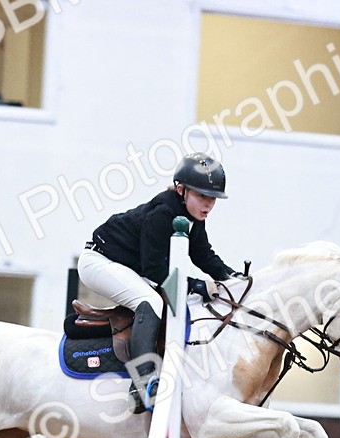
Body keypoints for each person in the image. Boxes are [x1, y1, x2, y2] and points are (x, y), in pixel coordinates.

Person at [78, 152, 235, 413]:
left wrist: (232, 278)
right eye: (202, 196)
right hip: (98, 261)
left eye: (213, 199)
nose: (208, 204)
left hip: (125, 265)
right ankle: (143, 382)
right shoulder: (163, 212)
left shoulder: (193, 217)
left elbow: (203, 255)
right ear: (181, 189)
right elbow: (154, 270)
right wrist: (196, 285)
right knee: (150, 300)